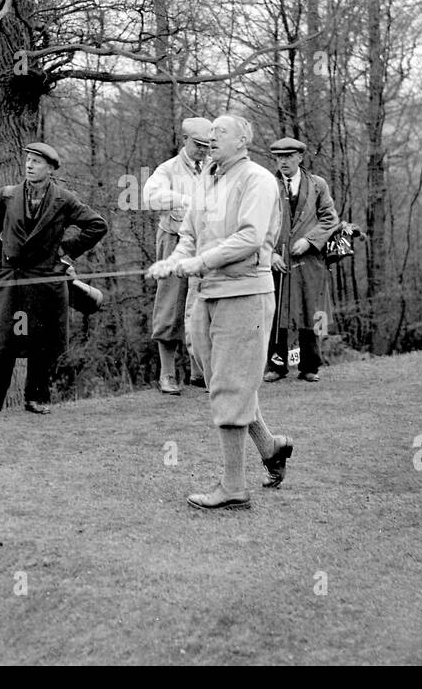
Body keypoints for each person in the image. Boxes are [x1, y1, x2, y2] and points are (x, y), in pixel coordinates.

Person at [148, 115, 296, 511]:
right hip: (208, 295)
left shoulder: (259, 180)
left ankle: (233, 487)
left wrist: (201, 262)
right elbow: (189, 236)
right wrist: (175, 261)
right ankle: (270, 445)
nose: (211, 138)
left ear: (244, 140)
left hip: (245, 294)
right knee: (222, 382)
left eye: (221, 133)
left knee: (231, 386)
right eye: (209, 134)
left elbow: (249, 238)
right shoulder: (206, 179)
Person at [0, 142, 108, 420]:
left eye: (37, 162)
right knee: (4, 344)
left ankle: (36, 398)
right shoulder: (7, 195)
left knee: (42, 344)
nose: (29, 165)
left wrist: (65, 251)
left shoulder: (64, 200)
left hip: (46, 283)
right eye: (28, 160)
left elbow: (97, 225)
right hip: (12, 281)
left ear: (51, 169)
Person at [142, 117, 212, 394]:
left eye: (207, 146)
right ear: (185, 141)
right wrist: (184, 201)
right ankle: (168, 374)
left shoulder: (212, 167)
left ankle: (199, 371)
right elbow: (150, 197)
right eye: (197, 145)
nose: (202, 151)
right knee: (171, 303)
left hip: (205, 242)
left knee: (201, 305)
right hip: (174, 239)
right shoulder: (168, 169)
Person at [265, 138, 339, 384]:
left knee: (312, 311)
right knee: (276, 312)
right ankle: (277, 366)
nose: (283, 161)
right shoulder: (267, 186)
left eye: (288, 156)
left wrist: (309, 241)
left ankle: (310, 366)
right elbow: (256, 223)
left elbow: (330, 219)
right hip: (279, 260)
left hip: (310, 260)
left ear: (300, 157)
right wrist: (270, 253)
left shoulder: (317, 185)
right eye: (279, 157)